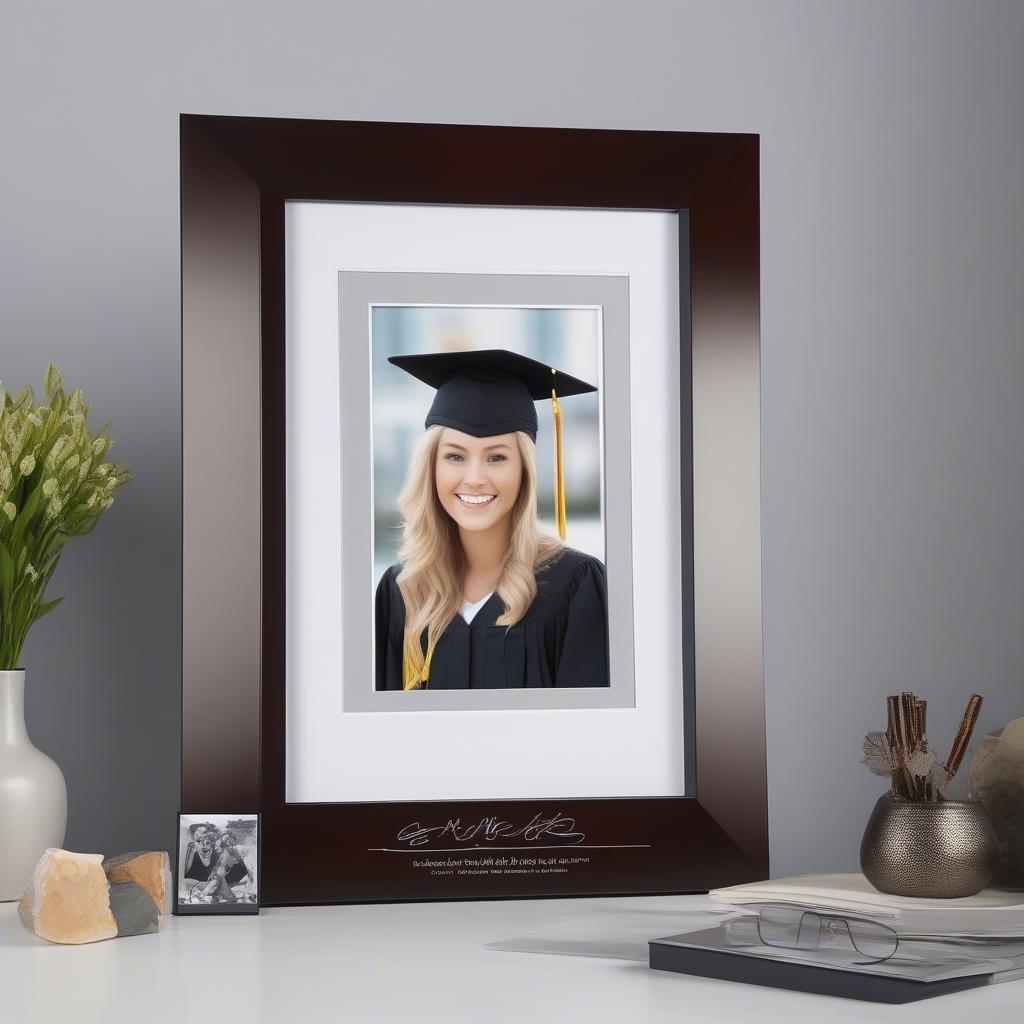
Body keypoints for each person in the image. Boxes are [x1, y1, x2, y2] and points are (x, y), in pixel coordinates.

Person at [375, 349, 609, 690]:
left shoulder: (574, 586)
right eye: (455, 456)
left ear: (524, 472)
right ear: (431, 468)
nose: (474, 478)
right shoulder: (402, 591)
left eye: (497, 457)